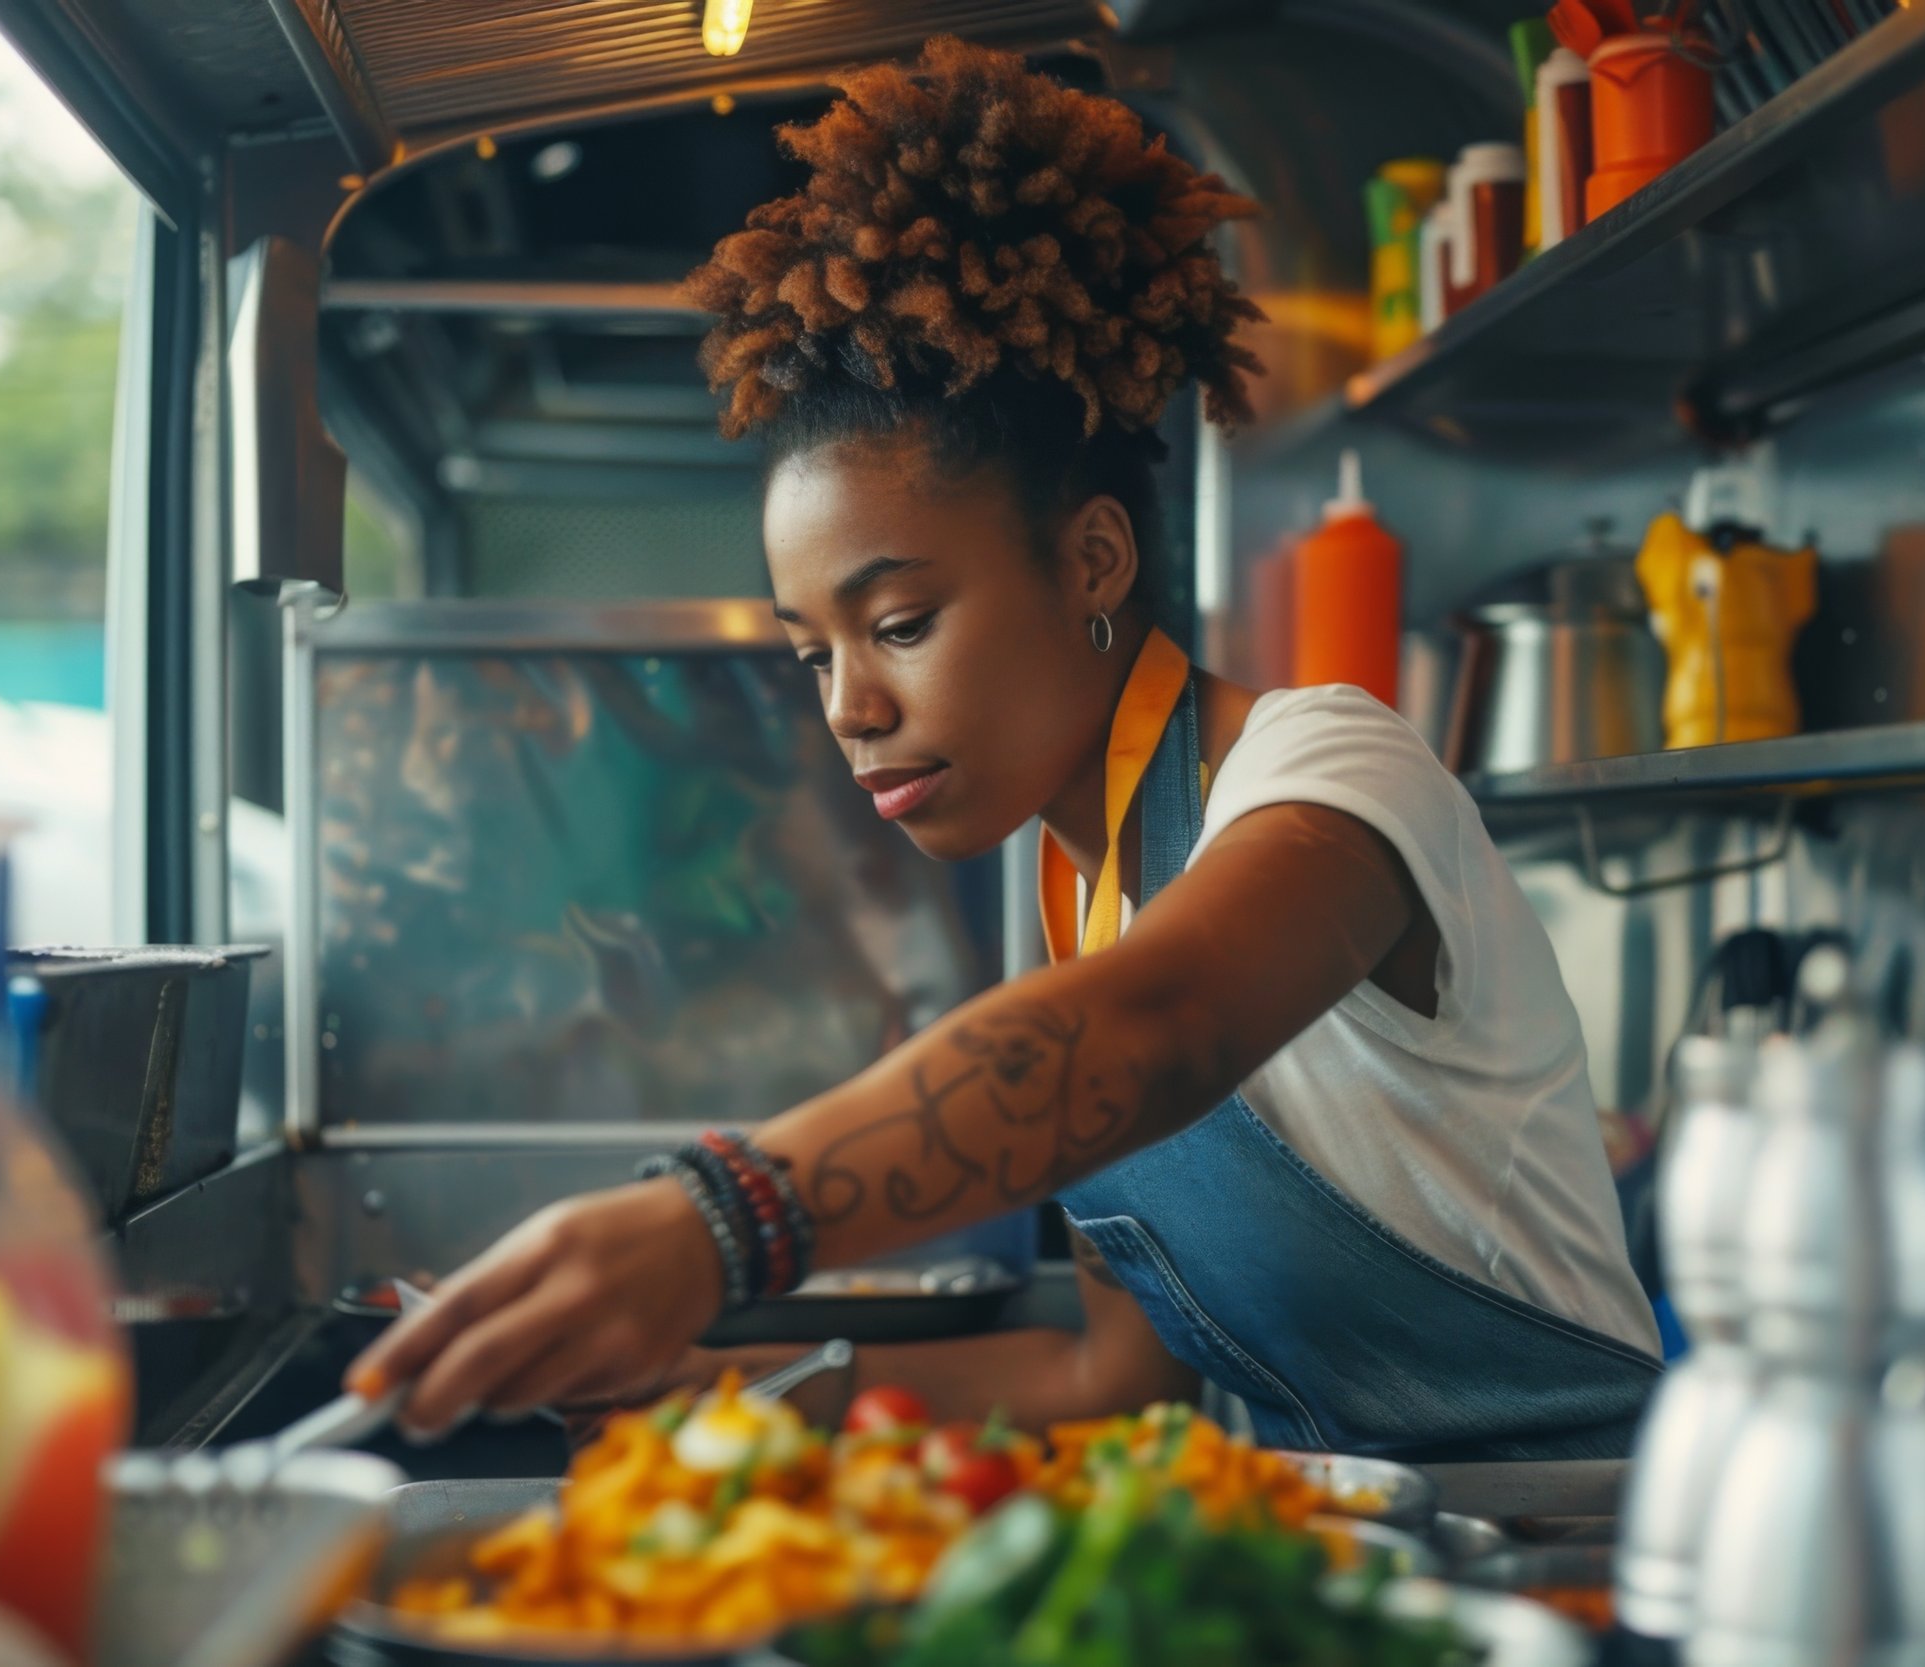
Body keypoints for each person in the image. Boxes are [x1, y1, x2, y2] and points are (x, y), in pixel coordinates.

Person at [352, 37, 1660, 1461]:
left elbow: (1152, 1034)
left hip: (1580, 1539)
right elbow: (1110, 1382)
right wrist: (703, 1397)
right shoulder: (1061, 894)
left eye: (899, 622)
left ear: (1094, 558)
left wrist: (718, 1221)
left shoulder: (1331, 773)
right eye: (813, 653)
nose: (847, 704)